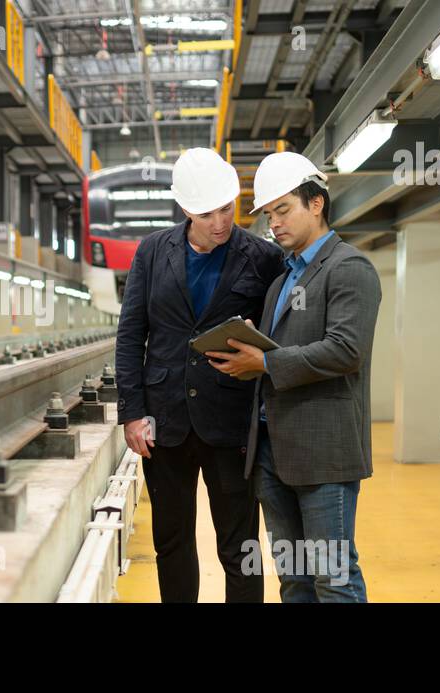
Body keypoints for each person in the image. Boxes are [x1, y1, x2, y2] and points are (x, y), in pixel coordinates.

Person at [205, 151, 380, 603]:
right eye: (268, 214)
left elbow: (346, 350)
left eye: (283, 209)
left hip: (324, 453)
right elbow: (282, 348)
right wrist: (245, 348)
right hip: (273, 451)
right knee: (295, 580)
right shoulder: (282, 282)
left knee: (334, 579)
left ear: (316, 203)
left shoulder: (349, 268)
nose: (275, 223)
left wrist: (264, 362)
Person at [115, 148, 284, 603]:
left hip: (229, 421)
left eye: (227, 208)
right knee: (171, 543)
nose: (220, 222)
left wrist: (261, 336)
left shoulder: (263, 258)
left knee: (239, 546)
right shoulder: (152, 252)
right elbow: (131, 334)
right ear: (185, 210)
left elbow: (281, 329)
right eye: (207, 213)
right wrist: (132, 413)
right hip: (163, 422)